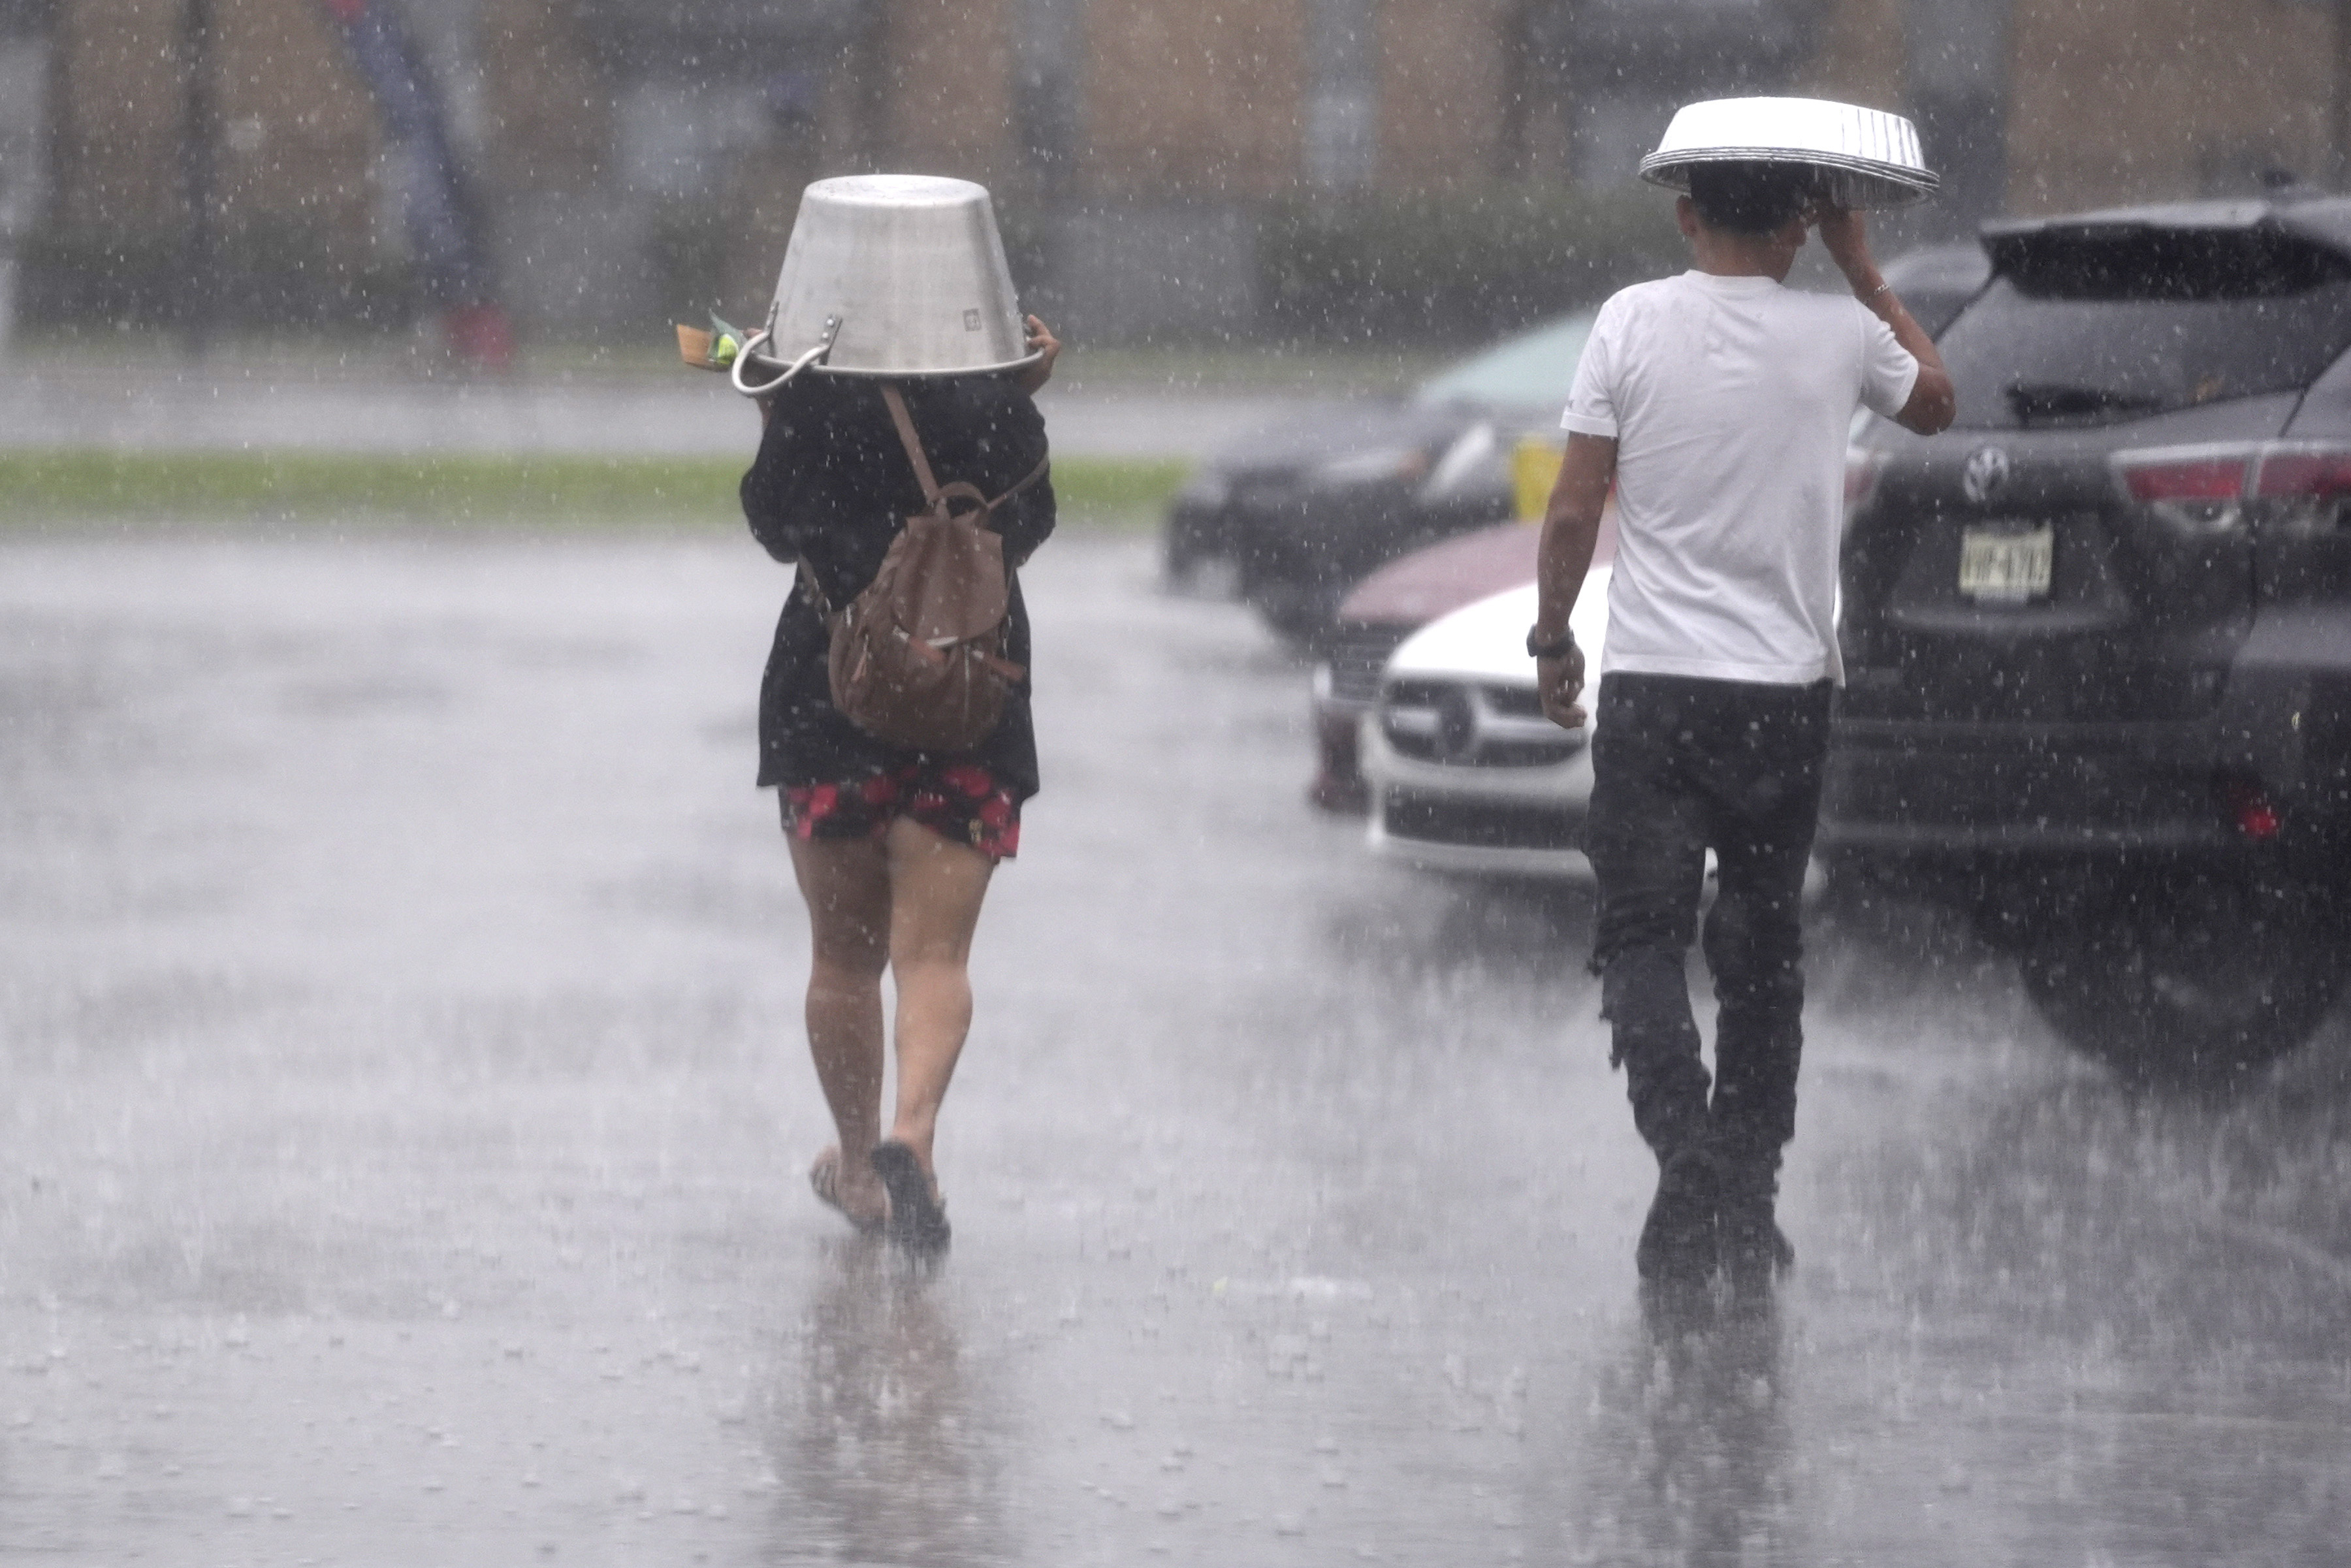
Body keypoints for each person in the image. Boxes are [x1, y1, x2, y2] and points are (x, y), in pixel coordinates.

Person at [1528, 163, 1955, 1291]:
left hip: (1656, 690)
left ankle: (1690, 1163)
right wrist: (1864, 270)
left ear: (1686, 213)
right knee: (1763, 953)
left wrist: (1552, 635)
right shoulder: (1839, 334)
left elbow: (1577, 506)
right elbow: (1939, 401)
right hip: (1783, 696)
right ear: (1803, 224)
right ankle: (1745, 1191)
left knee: (1640, 938)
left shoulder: (1629, 321)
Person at [741, 315, 1063, 1254]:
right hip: (970, 700)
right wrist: (1014, 402)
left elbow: (773, 523)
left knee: (844, 961)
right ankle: (913, 1135)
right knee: (936, 958)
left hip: (827, 702)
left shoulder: (810, 390)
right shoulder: (999, 400)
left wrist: (773, 405)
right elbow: (1026, 529)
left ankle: (855, 1164)